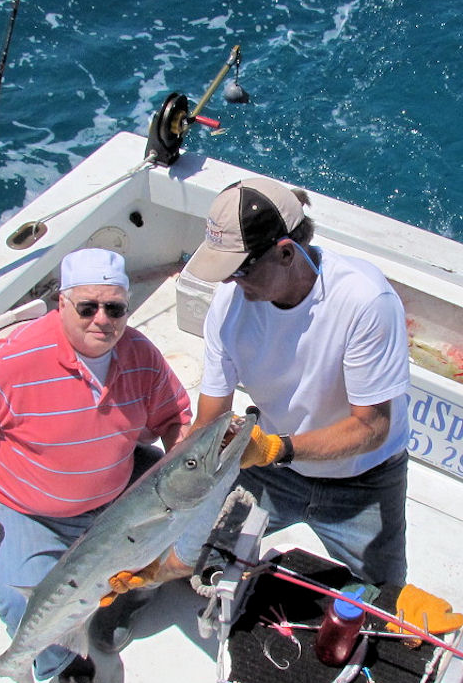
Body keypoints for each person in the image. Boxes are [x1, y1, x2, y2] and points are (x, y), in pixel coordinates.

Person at [0, 248, 192, 683]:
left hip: (113, 501)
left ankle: (123, 603)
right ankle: (70, 673)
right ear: (61, 303)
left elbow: (174, 419)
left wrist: (186, 460)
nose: (103, 320)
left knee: (169, 555)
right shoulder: (12, 361)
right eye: (88, 307)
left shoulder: (140, 355)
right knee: (17, 597)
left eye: (115, 308)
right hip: (28, 509)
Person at [169, 176, 410, 587]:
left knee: (385, 607)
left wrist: (277, 449)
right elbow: (210, 419)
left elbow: (373, 427)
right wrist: (175, 480)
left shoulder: (365, 300)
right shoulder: (229, 305)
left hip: (363, 480)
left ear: (285, 254)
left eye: (239, 269)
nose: (230, 283)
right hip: (270, 465)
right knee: (183, 558)